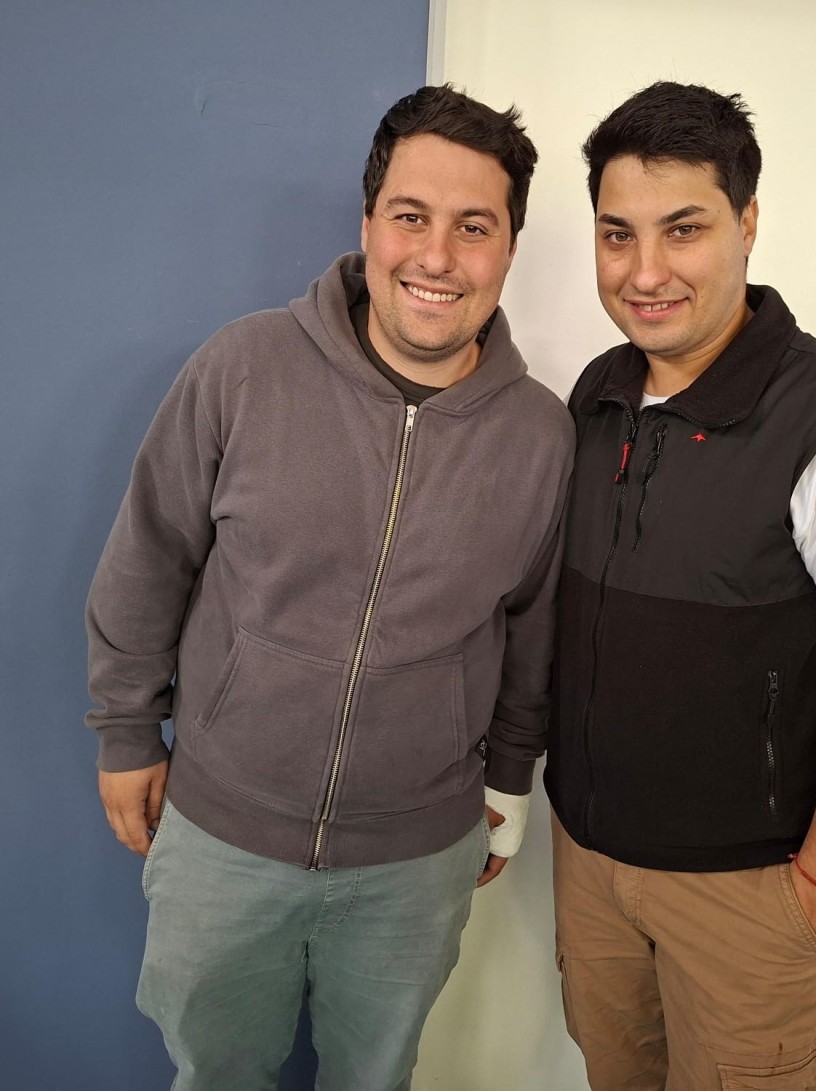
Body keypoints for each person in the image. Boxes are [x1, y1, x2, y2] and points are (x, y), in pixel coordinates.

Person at [86, 84, 573, 1091]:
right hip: (221, 832)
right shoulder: (242, 367)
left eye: (473, 226)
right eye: (410, 216)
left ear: (509, 248)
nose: (436, 256)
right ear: (368, 223)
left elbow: (531, 626)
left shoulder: (540, 434)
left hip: (416, 860)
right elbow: (151, 553)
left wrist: (510, 777)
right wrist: (128, 728)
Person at [545, 82, 816, 1090]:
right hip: (589, 865)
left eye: (683, 230)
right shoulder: (597, 393)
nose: (644, 272)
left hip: (748, 893)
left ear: (747, 223)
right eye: (617, 234)